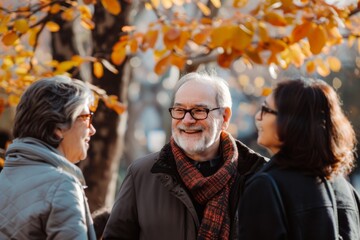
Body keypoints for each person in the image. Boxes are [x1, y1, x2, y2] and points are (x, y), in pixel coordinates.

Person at [103, 72, 267, 240]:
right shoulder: (141, 175)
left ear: (224, 117)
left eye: (198, 110)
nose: (187, 120)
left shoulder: (260, 177)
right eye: (180, 110)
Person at [238, 78, 360, 239]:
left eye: (266, 109)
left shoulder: (266, 186)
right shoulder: (345, 188)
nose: (258, 117)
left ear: (291, 121)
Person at [0, 76, 97, 239]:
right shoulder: (61, 186)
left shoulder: (3, 180)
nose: (92, 129)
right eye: (86, 118)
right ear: (58, 127)